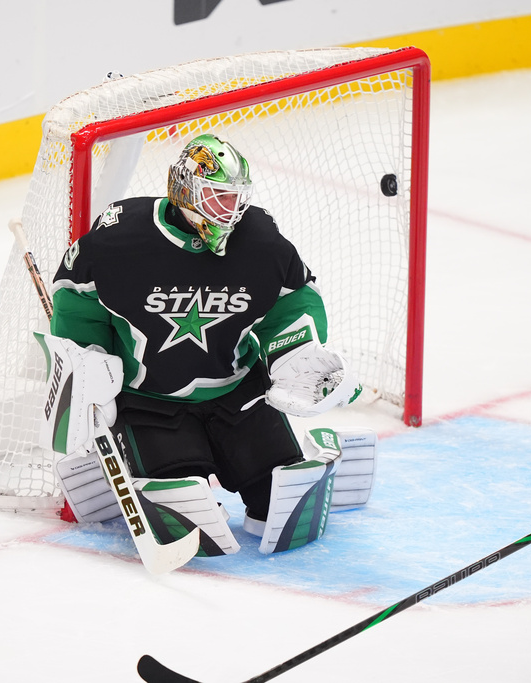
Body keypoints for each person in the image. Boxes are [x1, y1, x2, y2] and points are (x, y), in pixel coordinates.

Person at [41, 133, 371, 555]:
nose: (230, 212)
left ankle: (317, 452)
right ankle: (144, 470)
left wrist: (294, 353)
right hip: (150, 403)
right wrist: (88, 368)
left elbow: (293, 299)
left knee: (284, 510)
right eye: (218, 198)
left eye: (236, 199)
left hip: (238, 394)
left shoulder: (259, 241)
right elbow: (77, 300)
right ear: (184, 190)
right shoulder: (119, 239)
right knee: (189, 522)